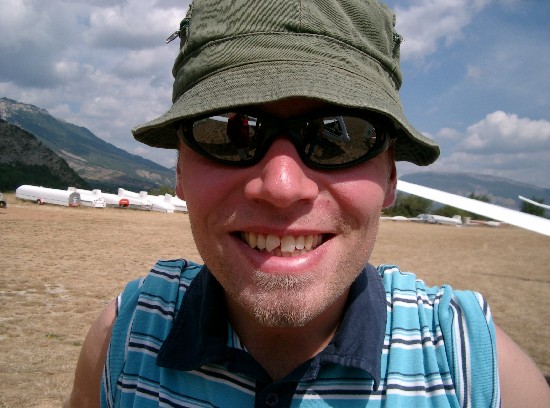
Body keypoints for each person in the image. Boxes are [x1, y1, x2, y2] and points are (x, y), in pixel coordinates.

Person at [65, 0, 550, 407]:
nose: (281, 186)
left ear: (390, 176)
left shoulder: (472, 370)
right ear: (179, 171)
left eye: (341, 136)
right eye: (231, 134)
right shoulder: (124, 340)